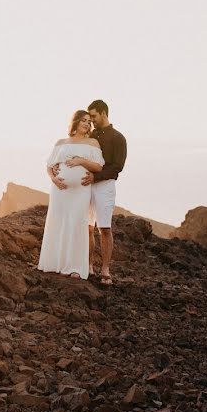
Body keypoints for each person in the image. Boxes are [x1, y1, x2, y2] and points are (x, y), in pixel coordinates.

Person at [38, 110, 104, 279]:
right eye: (83, 120)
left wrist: (81, 161)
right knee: (58, 221)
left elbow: (99, 167)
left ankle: (75, 267)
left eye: (89, 121)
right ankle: (53, 263)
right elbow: (49, 165)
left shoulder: (93, 143)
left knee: (77, 223)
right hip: (60, 190)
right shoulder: (61, 142)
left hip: (80, 190)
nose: (87, 124)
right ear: (75, 122)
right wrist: (54, 179)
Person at [67, 99, 127, 285]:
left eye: (93, 116)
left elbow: (117, 167)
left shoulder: (118, 138)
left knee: (104, 228)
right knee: (87, 227)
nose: (90, 120)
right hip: (86, 184)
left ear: (103, 113)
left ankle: (106, 270)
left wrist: (96, 178)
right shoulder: (90, 136)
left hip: (105, 186)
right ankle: (89, 266)